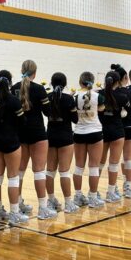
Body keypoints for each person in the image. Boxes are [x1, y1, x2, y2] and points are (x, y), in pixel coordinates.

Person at [11, 60, 55, 219]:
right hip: (37, 133)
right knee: (39, 171)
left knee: (19, 172)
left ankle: (18, 203)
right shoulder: (39, 89)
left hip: (20, 134)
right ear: (34, 73)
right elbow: (48, 112)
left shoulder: (14, 88)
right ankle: (43, 208)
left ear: (22, 70)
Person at [0, 70, 28, 225]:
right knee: (13, 178)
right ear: (10, 82)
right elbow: (22, 122)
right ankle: (14, 213)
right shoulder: (14, 100)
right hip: (11, 142)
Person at [46, 73, 79, 213]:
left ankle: (51, 200)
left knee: (50, 171)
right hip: (65, 137)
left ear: (51, 83)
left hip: (51, 136)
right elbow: (75, 119)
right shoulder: (68, 98)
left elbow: (46, 114)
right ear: (65, 84)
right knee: (64, 172)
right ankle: (68, 203)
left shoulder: (48, 97)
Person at [72, 72, 106, 208]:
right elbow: (102, 109)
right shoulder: (99, 96)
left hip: (79, 133)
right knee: (93, 168)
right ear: (92, 82)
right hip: (95, 133)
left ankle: (78, 196)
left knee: (79, 167)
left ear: (80, 83)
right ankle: (92, 198)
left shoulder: (75, 97)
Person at [99, 71, 131, 202]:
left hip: (101, 131)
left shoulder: (98, 94)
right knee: (113, 164)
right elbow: (128, 113)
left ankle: (93, 193)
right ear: (118, 82)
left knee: (98, 164)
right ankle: (111, 193)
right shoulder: (123, 96)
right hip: (117, 131)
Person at [111, 64, 131, 198]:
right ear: (125, 77)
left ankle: (114, 188)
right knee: (129, 158)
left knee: (114, 160)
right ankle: (129, 188)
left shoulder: (110, 93)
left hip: (115, 129)